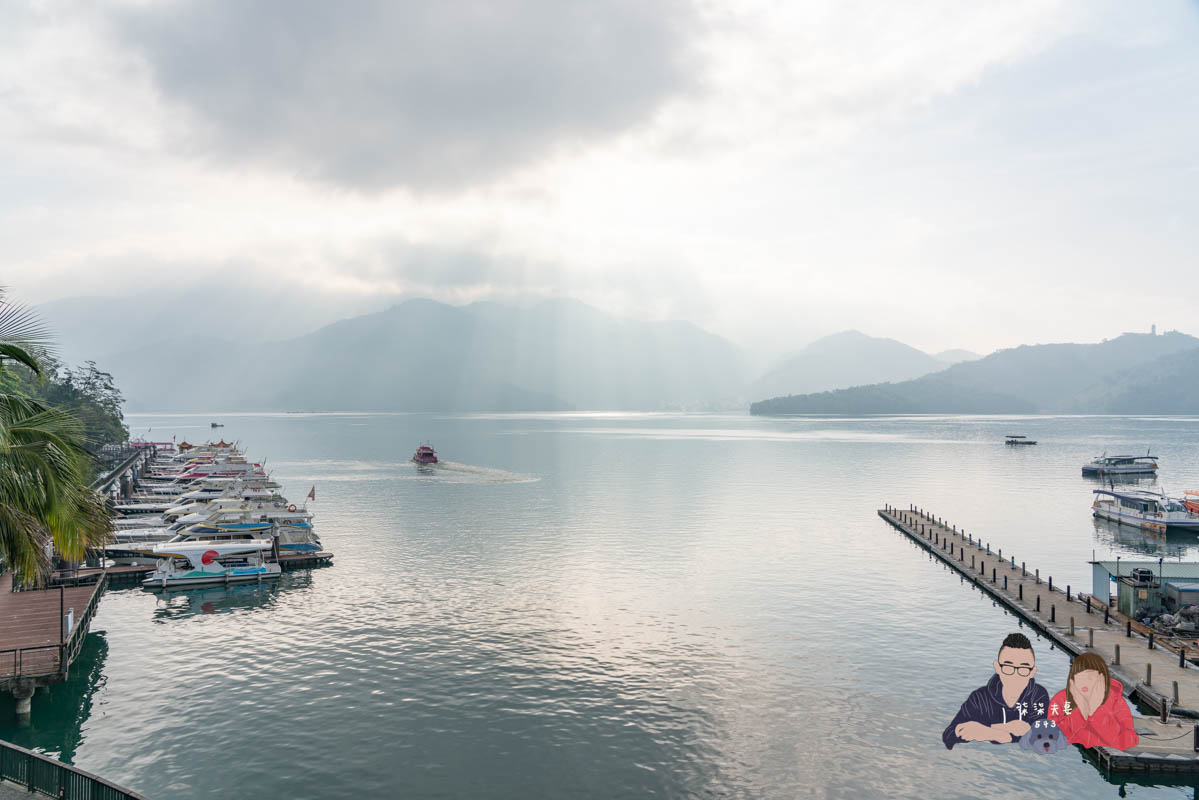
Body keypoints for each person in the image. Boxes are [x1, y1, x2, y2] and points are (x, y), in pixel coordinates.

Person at [943, 632, 1049, 749]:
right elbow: (948, 735)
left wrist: (990, 731)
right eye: (1008, 667)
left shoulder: (1038, 696)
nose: (1015, 675)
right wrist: (999, 731)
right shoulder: (979, 698)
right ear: (997, 668)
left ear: (1033, 672)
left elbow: (1041, 736)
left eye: (1023, 668)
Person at [1047, 652, 1138, 750]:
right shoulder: (1061, 699)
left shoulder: (1116, 702)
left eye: (1090, 678)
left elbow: (1128, 739)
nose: (1085, 684)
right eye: (1080, 678)